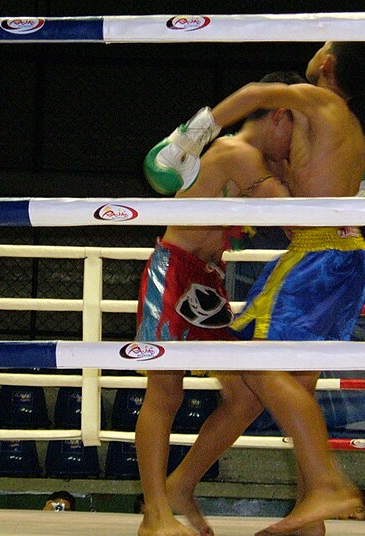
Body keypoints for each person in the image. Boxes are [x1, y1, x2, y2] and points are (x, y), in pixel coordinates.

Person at [163, 41, 365, 536]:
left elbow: (256, 93)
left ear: (328, 64)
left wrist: (192, 137)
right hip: (344, 256)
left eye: (320, 47)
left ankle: (325, 485)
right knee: (296, 384)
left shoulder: (316, 102)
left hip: (318, 254)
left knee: (251, 358)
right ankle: (309, 522)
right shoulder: (343, 127)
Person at [137, 71, 301, 536]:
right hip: (174, 272)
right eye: (301, 127)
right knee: (165, 393)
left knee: (246, 395)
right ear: (279, 116)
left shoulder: (263, 162)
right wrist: (354, 183)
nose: (300, 140)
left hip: (208, 284)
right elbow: (292, 215)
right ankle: (154, 514)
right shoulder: (235, 152)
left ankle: (181, 484)